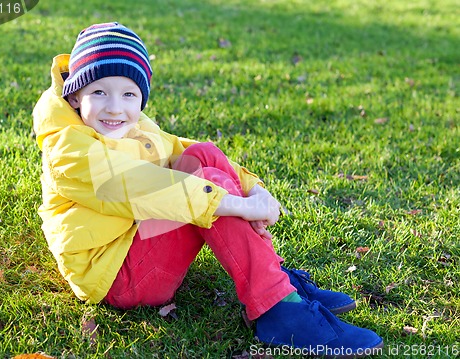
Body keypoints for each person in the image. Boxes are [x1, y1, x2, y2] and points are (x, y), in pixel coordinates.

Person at [33, 22, 383, 357]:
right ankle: (277, 307)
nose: (115, 107)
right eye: (99, 92)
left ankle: (272, 275)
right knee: (208, 187)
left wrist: (255, 190)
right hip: (117, 275)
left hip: (133, 236)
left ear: (142, 99)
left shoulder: (132, 125)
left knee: (204, 155)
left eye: (129, 94)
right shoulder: (68, 150)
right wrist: (236, 205)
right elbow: (143, 188)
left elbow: (183, 148)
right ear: (75, 96)